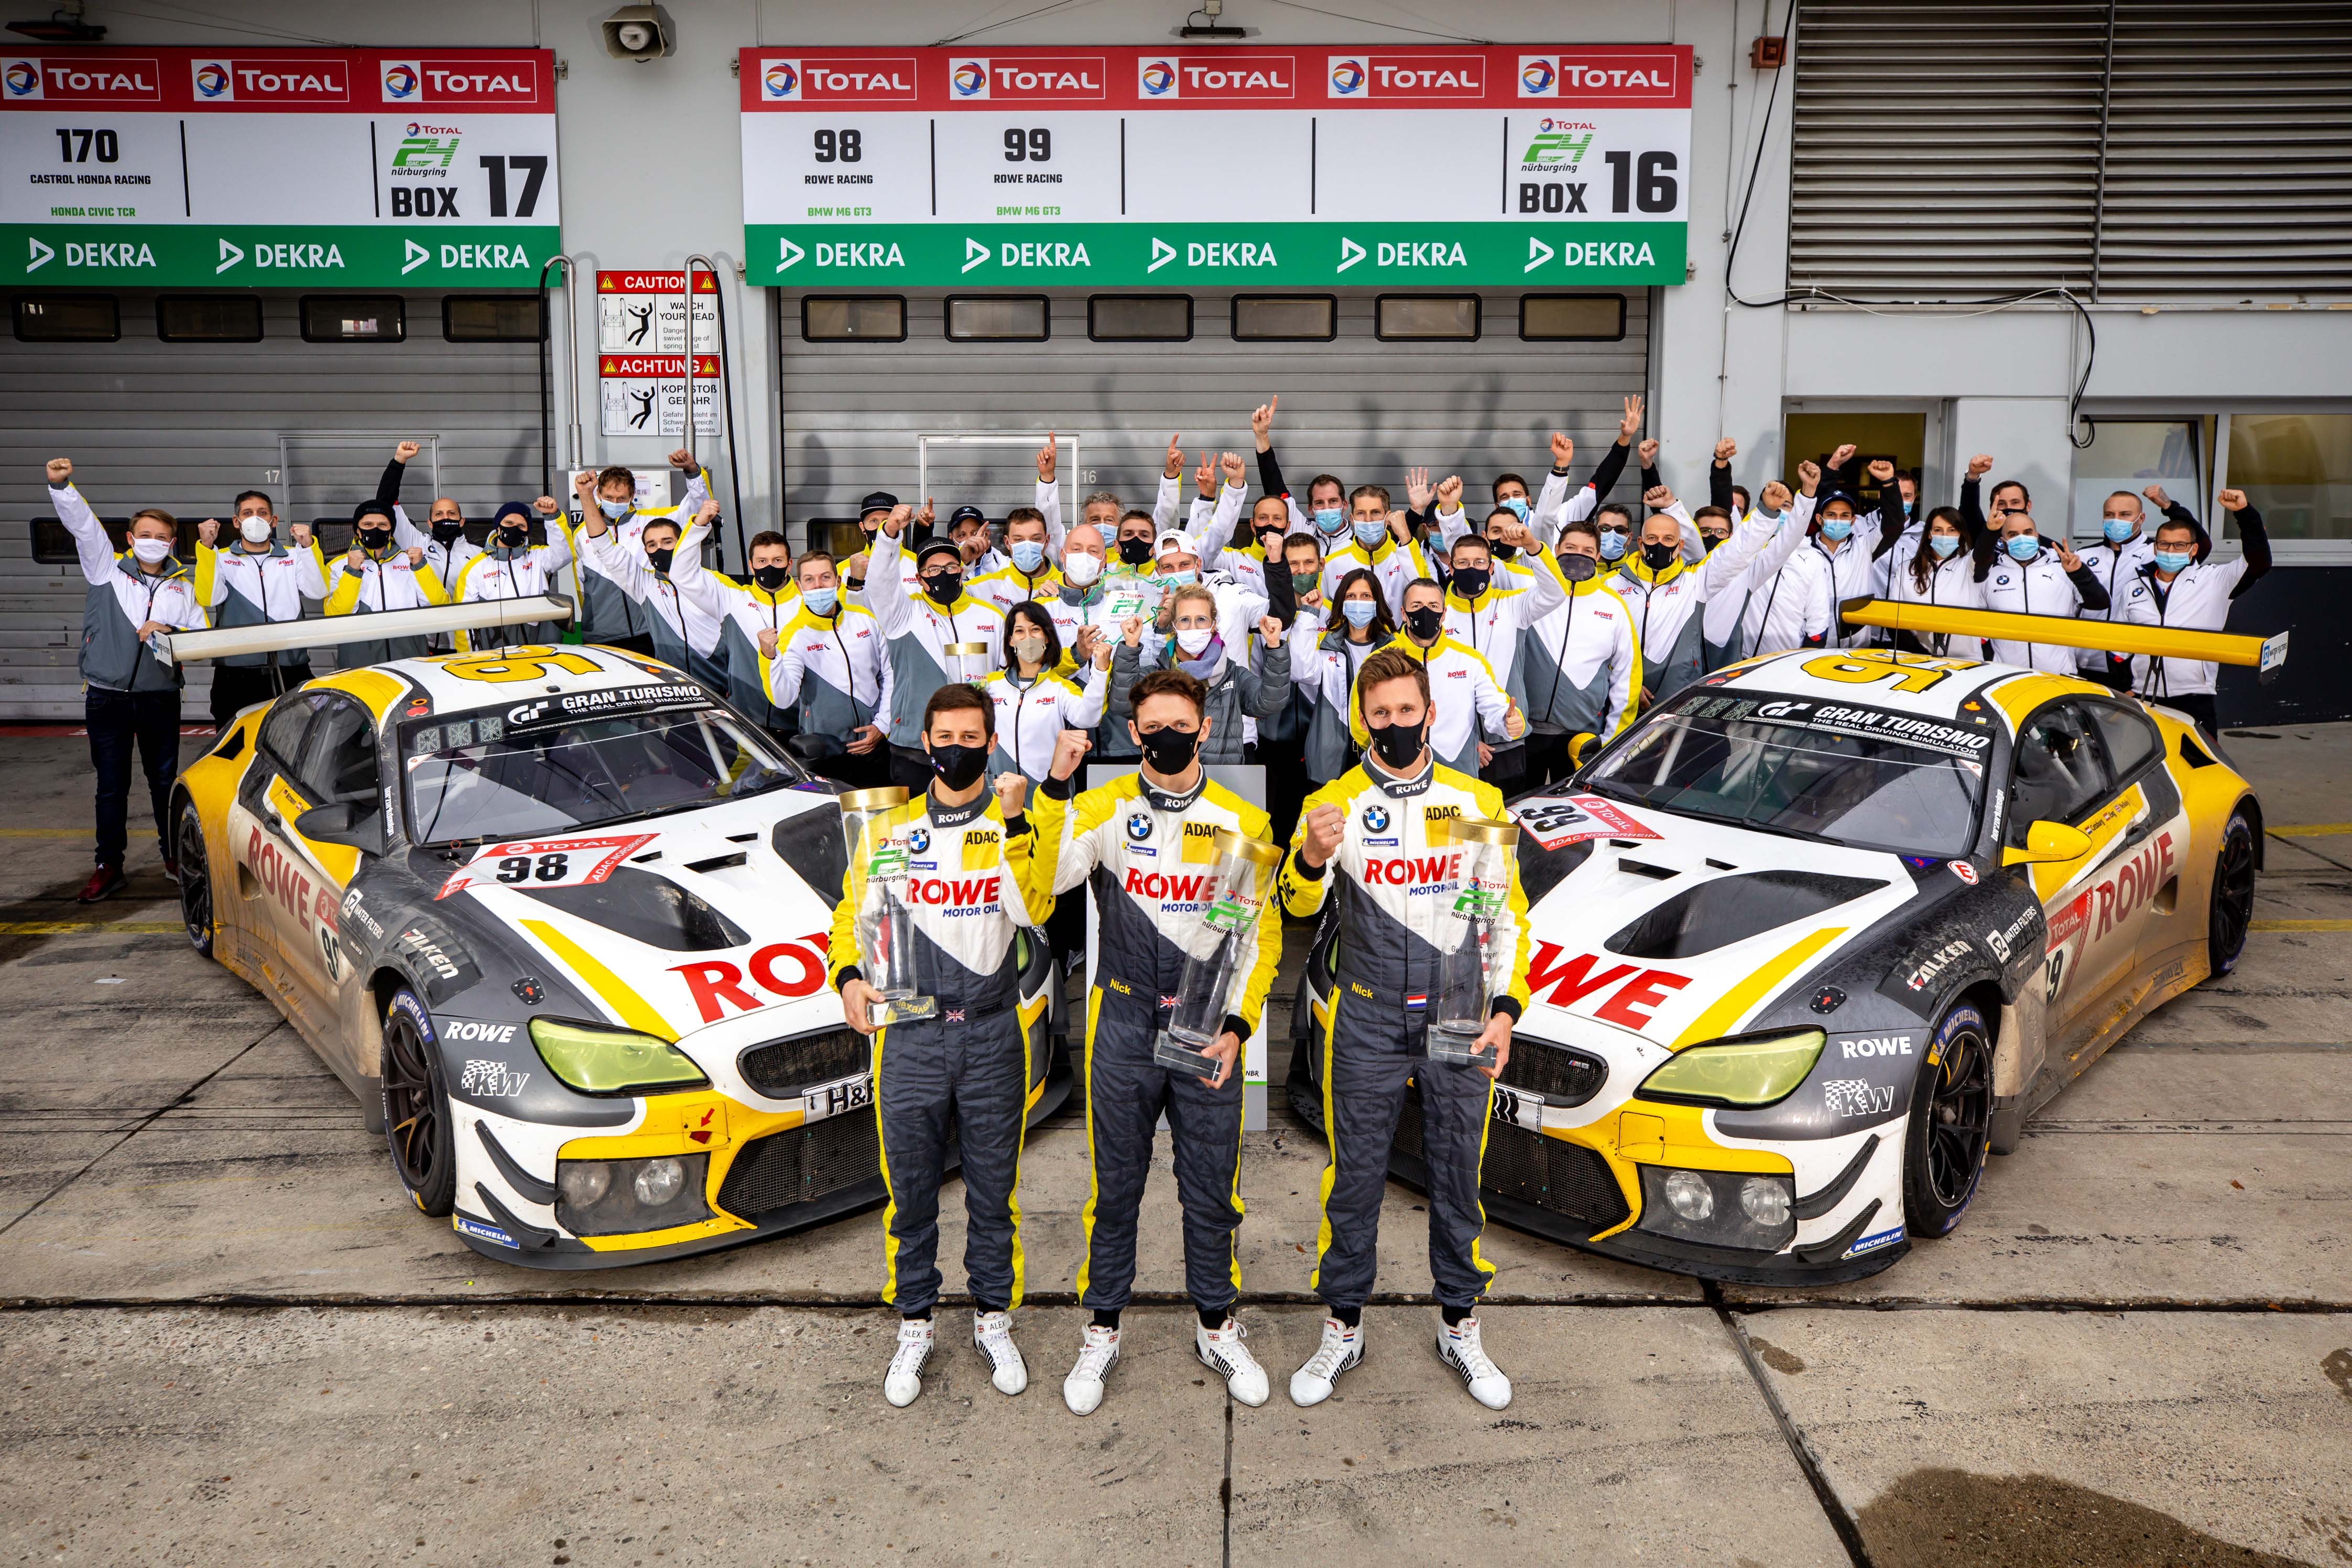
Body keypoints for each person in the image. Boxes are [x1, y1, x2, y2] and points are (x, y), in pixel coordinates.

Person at [1278, 644, 1530, 1410]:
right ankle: (1343, 1324)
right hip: (1368, 1016)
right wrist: (1315, 858)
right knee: (1354, 1180)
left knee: (1458, 1172)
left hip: (1459, 1015)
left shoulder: (1480, 800)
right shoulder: (1334, 801)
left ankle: (1458, 1321)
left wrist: (1505, 1009)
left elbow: (1504, 914)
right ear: (1362, 719)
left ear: (1430, 713)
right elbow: (1293, 906)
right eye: (1379, 714)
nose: (1393, 724)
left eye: (1406, 712)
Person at [1030, 678, 1283, 1415]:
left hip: (1206, 1027)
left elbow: (1259, 937)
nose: (1166, 737)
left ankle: (1215, 1321)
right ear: (1134, 734)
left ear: (1205, 730)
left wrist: (1239, 1027)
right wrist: (1053, 788)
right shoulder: (1102, 807)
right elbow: (1048, 885)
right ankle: (1104, 1325)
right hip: (1123, 1025)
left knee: (1211, 1189)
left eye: (1179, 724)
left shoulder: (1242, 818)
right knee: (1116, 1187)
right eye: (1151, 727)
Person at [830, 683, 1055, 1408]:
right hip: (910, 1037)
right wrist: (850, 976)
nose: (956, 748)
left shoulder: (1014, 823)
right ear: (925, 744)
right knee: (911, 1193)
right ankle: (916, 1322)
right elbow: (850, 915)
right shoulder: (889, 829)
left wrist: (1019, 825)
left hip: (991, 1031)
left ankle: (993, 1316)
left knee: (995, 1193)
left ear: (992, 745)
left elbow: (1037, 908)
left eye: (971, 737)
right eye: (944, 736)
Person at [46, 458, 209, 901]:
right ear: (130, 539)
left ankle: (174, 857)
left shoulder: (183, 585)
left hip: (160, 698)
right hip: (108, 698)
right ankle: (109, 865)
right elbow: (84, 528)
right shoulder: (106, 569)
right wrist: (61, 487)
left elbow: (201, 636)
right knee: (111, 784)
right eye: (145, 536)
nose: (153, 543)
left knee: (164, 783)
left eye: (161, 538)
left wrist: (169, 631)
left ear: (173, 542)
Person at [1425, 486, 1564, 789]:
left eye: (1478, 563)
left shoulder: (1512, 605)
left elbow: (1556, 592)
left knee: (1507, 826)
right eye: (1462, 563)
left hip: (1508, 738)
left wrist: (1533, 546)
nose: (1471, 568)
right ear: (1451, 567)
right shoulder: (1436, 613)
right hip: (1453, 746)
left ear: (1491, 567)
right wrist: (1467, 740)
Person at [866, 503, 1008, 791]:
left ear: (961, 570)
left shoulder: (991, 616)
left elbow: (1004, 679)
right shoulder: (903, 615)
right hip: (915, 748)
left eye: (950, 567)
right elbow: (880, 581)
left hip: (974, 744)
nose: (943, 573)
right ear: (919, 579)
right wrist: (890, 532)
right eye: (933, 569)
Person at [1606, 482, 1788, 705]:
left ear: (1680, 546)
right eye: (1653, 539)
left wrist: (1766, 512)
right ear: (1641, 544)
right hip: (1618, 695)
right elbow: (1595, 642)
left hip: (1674, 698)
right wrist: (1627, 680)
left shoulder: (1695, 582)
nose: (1660, 545)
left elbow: (1737, 551)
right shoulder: (1611, 584)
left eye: (1668, 539)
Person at [2118, 489, 2272, 737]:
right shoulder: (2133, 587)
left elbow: (2259, 562)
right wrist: (2124, 687)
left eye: (2180, 545)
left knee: (2200, 765)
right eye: (2165, 544)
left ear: (2193, 549)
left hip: (2194, 696)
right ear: (2155, 548)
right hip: (2142, 697)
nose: (2171, 550)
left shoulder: (2215, 580)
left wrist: (2245, 514)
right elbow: (2118, 645)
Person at [1519, 518, 1643, 783]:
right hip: (1524, 732)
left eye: (1587, 551)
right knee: (1517, 810)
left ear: (1598, 556)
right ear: (1556, 549)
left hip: (1581, 738)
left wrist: (1612, 741)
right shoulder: (1530, 595)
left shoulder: (1613, 606)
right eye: (1571, 548)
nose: (1578, 556)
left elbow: (1627, 678)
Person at [1108, 585, 1290, 766]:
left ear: (1213, 625)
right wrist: (1130, 648)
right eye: (1185, 620)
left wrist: (1275, 648)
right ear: (1174, 626)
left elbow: (1269, 703)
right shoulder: (1156, 676)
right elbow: (1123, 705)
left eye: (1201, 619)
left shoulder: (1233, 675)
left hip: (1223, 781)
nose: (1193, 627)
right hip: (1169, 780)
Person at [1354, 579, 1520, 775]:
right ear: (1404, 614)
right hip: (1398, 775)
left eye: (1433, 606)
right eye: (1417, 606)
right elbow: (1359, 723)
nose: (1426, 612)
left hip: (1458, 774)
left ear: (1444, 614)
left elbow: (1494, 705)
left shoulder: (1469, 660)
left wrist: (1508, 720)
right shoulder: (1379, 660)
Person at [192, 493, 326, 730]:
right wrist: (206, 548)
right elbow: (209, 597)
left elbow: (317, 591)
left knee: (296, 741)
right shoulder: (221, 558)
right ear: (236, 522)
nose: (256, 518)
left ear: (273, 521)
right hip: (235, 673)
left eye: (262, 513)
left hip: (290, 667)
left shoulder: (293, 556)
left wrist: (307, 548)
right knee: (234, 746)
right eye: (248, 513)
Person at [764, 550, 890, 787]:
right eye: (810, 580)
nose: (818, 585)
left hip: (876, 745)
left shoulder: (865, 619)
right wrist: (769, 657)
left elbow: (889, 674)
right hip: (827, 753)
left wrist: (882, 726)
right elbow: (784, 699)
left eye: (825, 577)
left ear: (838, 581)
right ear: (800, 587)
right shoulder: (793, 635)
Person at [574, 500, 727, 687]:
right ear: (646, 551)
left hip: (720, 687)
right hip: (672, 688)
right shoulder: (646, 585)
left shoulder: (716, 583)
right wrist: (585, 496)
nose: (660, 549)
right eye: (652, 545)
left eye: (667, 542)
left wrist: (699, 524)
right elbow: (607, 550)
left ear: (681, 543)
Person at [669, 517, 799, 734]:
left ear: (789, 564)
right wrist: (699, 525)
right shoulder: (733, 598)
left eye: (777, 560)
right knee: (745, 770)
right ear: (751, 565)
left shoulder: (807, 604)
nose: (769, 567)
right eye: (762, 561)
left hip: (798, 724)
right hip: (748, 722)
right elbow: (681, 573)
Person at [571, 451, 709, 652]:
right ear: (598, 494)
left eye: (621, 498)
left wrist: (692, 471)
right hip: (602, 633)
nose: (615, 503)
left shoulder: (651, 523)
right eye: (609, 497)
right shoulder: (582, 533)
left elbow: (698, 507)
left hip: (650, 628)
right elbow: (581, 585)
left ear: (632, 496)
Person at [984, 602, 1109, 784]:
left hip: (1049, 792)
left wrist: (1100, 671)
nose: (1028, 638)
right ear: (1010, 640)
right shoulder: (990, 684)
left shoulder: (1060, 687)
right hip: (999, 792)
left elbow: (1088, 718)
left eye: (1035, 630)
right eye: (1020, 631)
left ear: (1047, 637)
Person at [1293, 568, 1392, 786]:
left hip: (1379, 755)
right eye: (1351, 597)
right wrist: (1309, 613)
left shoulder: (1392, 650)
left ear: (1377, 602)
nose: (1359, 602)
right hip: (1330, 760)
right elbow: (1300, 670)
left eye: (1366, 596)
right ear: (1342, 603)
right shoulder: (1328, 647)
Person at [2074, 484, 2177, 690]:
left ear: (2141, 518)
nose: (2116, 520)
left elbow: (2199, 542)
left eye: (2125, 514)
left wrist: (2170, 507)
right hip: (2083, 664)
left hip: (2134, 668)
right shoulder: (2082, 556)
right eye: (2109, 515)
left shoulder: (2156, 553)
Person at [1980, 511, 2109, 673]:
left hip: (2059, 676)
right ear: (2003, 541)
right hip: (2006, 677)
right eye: (2013, 534)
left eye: (2028, 533)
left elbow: (2101, 603)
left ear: (2037, 536)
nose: (2022, 539)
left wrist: (2079, 573)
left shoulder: (2062, 570)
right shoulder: (1990, 575)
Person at [324, 498, 449, 665]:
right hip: (358, 666)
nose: (375, 529)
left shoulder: (411, 561)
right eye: (368, 525)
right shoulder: (338, 566)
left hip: (411, 661)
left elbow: (439, 604)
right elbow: (336, 617)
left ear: (391, 532)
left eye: (383, 525)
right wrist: (352, 571)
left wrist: (420, 567)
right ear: (358, 531)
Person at [451, 498, 572, 650]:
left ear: (527, 531)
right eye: (509, 523)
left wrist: (553, 517)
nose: (514, 528)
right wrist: (469, 658)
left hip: (539, 648)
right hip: (496, 653)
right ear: (498, 527)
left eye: (521, 525)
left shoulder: (538, 556)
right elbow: (464, 621)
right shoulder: (476, 568)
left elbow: (565, 554)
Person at [1886, 507, 1987, 659]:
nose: (1945, 536)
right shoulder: (1906, 569)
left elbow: (1984, 553)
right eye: (1938, 530)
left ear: (1960, 534)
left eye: (1952, 530)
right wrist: (1920, 654)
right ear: (1929, 534)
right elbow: (1893, 618)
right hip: (1916, 659)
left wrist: (1991, 531)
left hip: (1964, 660)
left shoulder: (1969, 565)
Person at [969, 505, 1061, 614]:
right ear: (1007, 543)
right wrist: (963, 560)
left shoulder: (1065, 586)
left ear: (1046, 541)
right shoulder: (987, 586)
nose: (1027, 546)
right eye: (1019, 540)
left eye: (1035, 539)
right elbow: (948, 598)